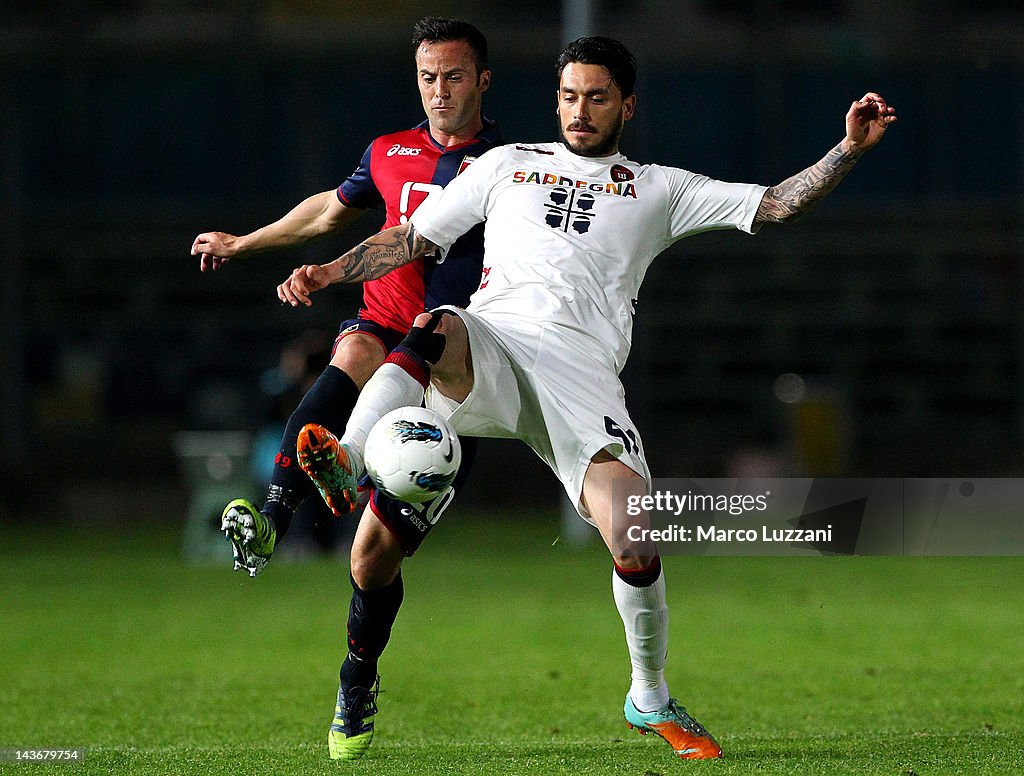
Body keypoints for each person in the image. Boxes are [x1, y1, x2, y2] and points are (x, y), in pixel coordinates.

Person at [278, 36, 896, 761]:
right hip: (493, 344)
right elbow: (413, 238)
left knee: (634, 535)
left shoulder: (659, 187)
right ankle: (348, 463)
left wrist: (847, 149)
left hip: (582, 379)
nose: (580, 109)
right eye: (569, 95)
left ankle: (649, 696)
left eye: (597, 96)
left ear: (626, 104)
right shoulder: (505, 166)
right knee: (428, 344)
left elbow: (775, 205)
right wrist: (329, 272)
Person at [190, 16, 502, 761]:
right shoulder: (388, 151)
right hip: (384, 327)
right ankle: (274, 517)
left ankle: (357, 674)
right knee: (357, 346)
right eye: (428, 77)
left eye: (454, 76)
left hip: (454, 366)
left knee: (369, 563)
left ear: (483, 82)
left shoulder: (511, 163)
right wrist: (244, 243)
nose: (439, 91)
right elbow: (329, 210)